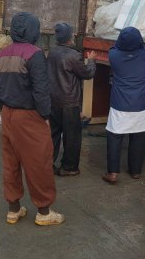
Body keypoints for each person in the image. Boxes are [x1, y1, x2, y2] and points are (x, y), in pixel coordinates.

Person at [0, 12, 65, 226]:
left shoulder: (1, 54)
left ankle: (13, 210)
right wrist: (45, 116)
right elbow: (41, 91)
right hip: (30, 117)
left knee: (11, 163)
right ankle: (44, 212)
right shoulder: (34, 54)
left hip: (7, 115)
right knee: (39, 163)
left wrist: (3, 110)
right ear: (33, 30)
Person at [102, 19, 145, 185]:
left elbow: (116, 46)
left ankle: (112, 173)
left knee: (115, 137)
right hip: (141, 104)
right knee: (138, 137)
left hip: (120, 104)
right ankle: (135, 171)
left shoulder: (114, 55)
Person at [47, 23, 97, 177]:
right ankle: (69, 167)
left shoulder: (52, 52)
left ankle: (48, 164)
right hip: (69, 102)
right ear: (69, 37)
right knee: (72, 136)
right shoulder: (74, 56)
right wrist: (92, 61)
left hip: (53, 100)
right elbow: (87, 73)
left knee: (53, 134)